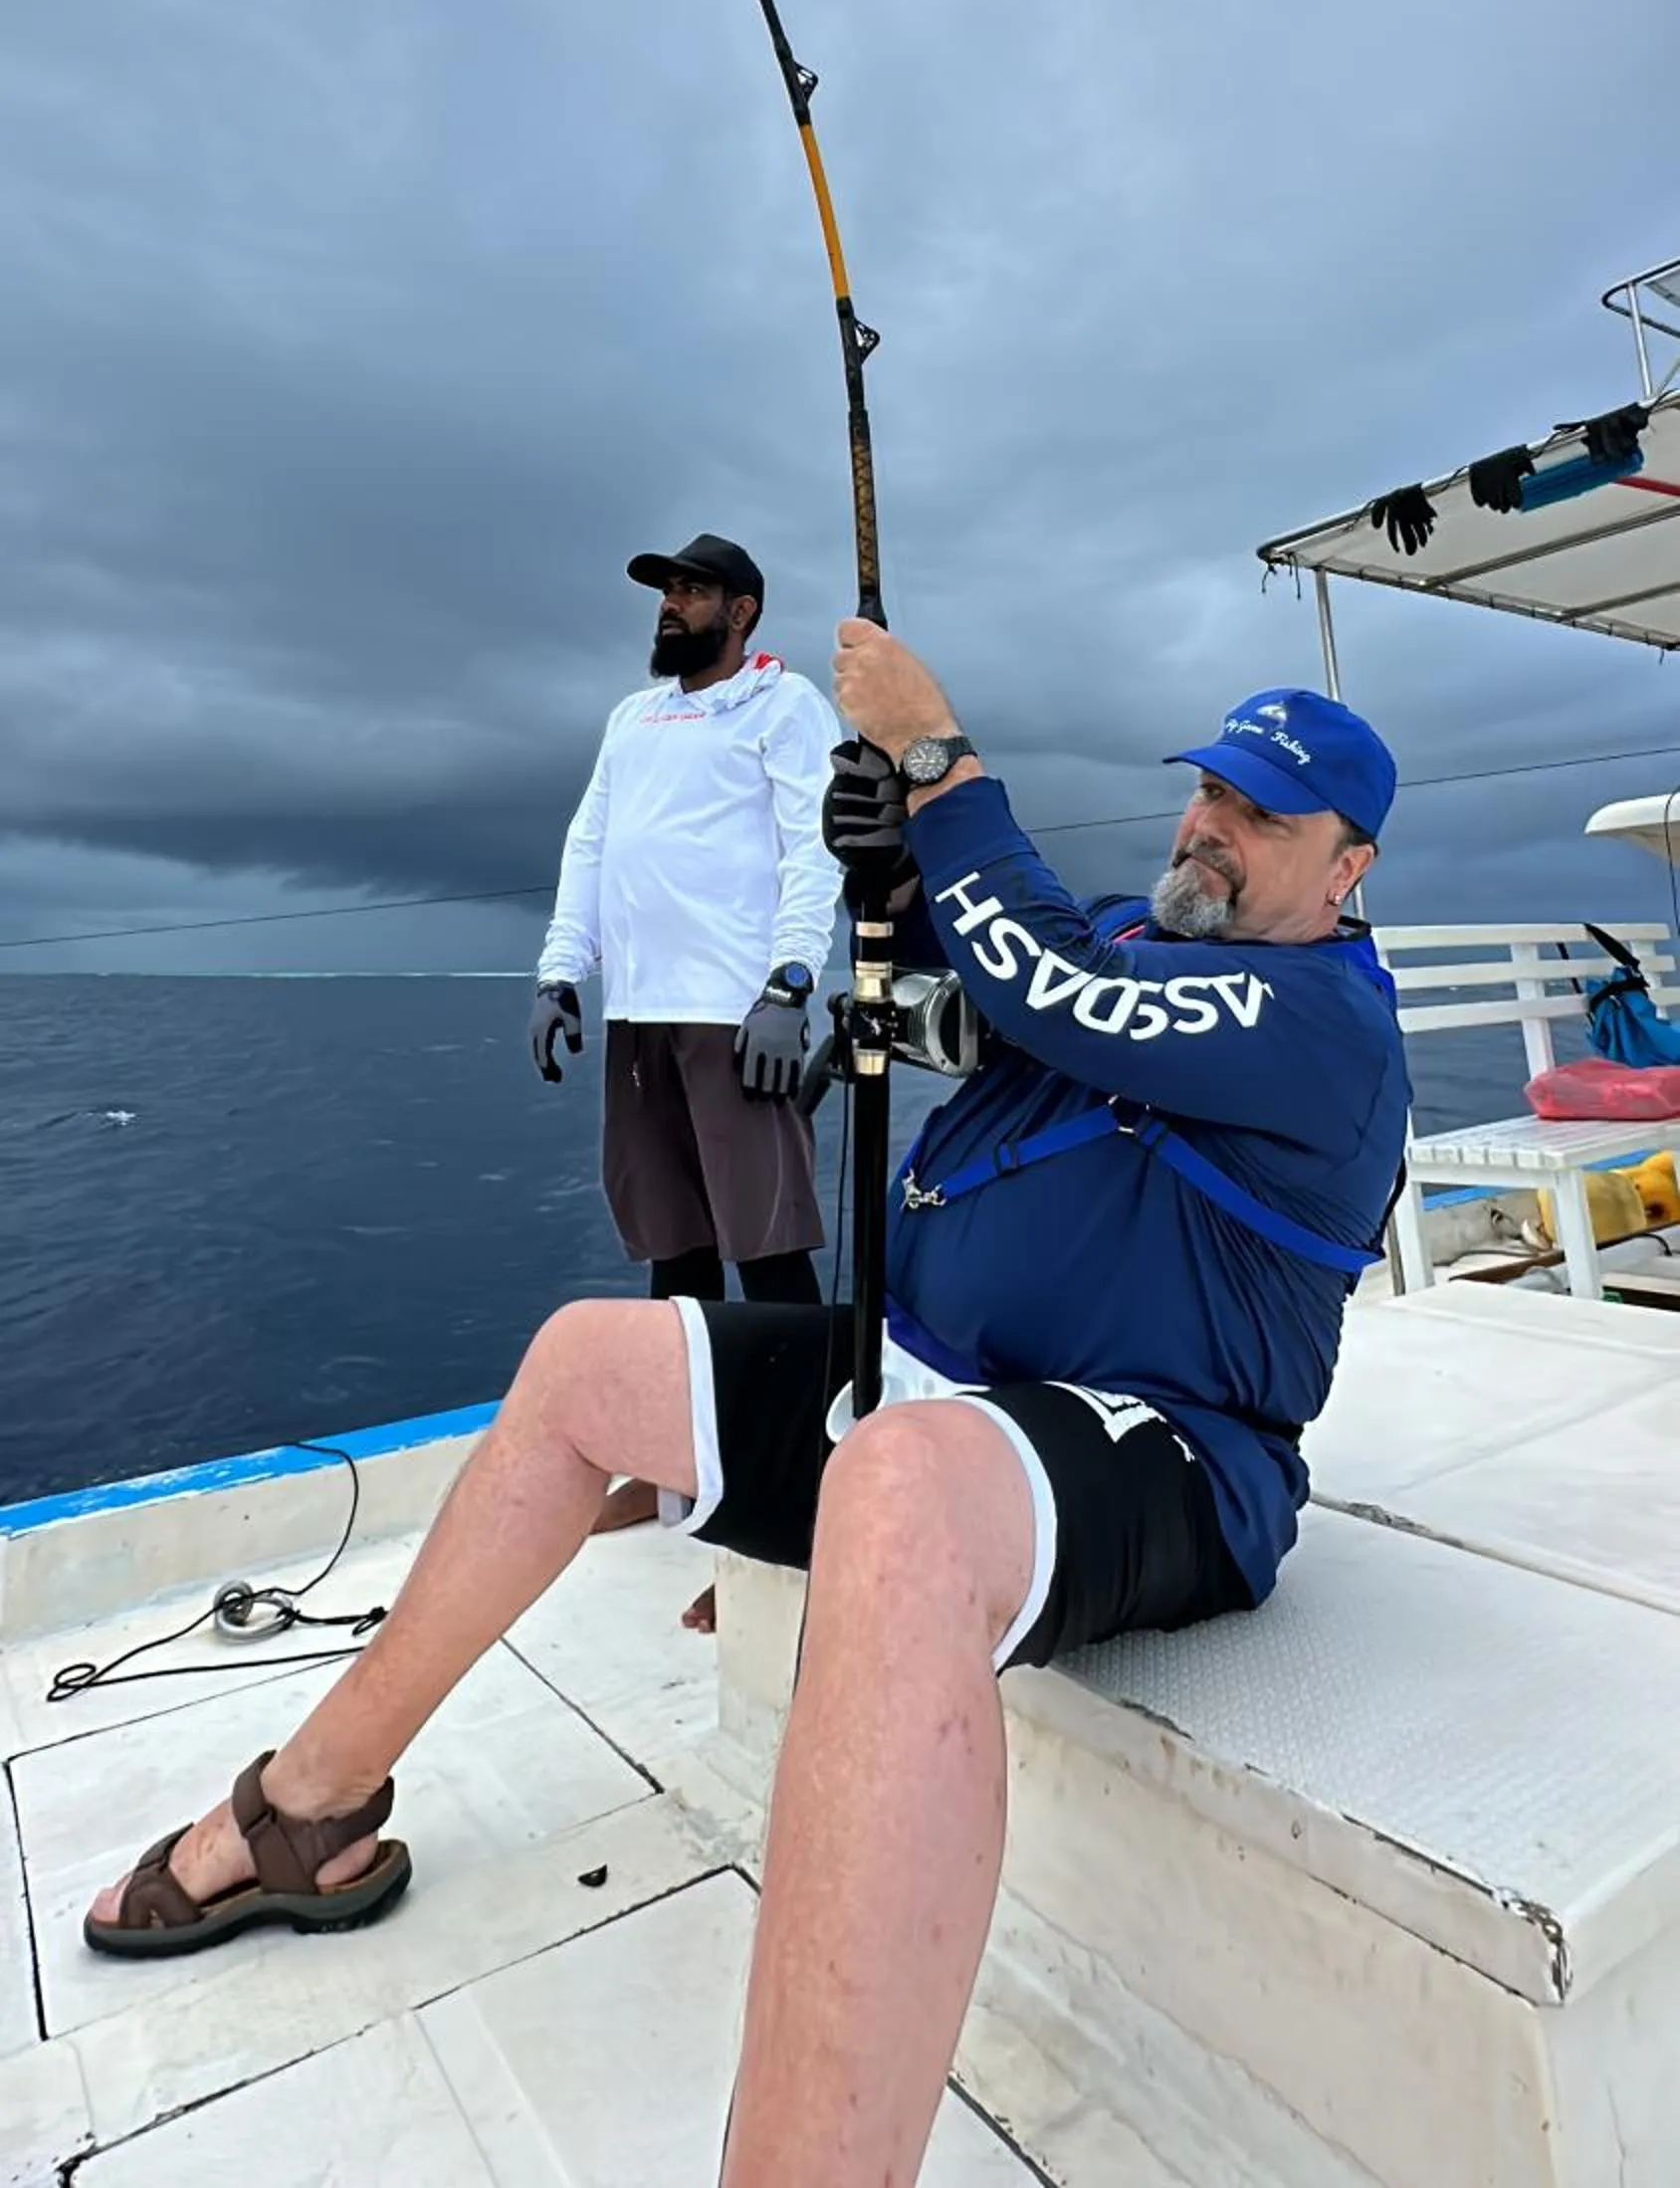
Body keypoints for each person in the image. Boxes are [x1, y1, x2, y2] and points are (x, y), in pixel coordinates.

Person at [85, 625, 1409, 2188]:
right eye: (1206, 792)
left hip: (1163, 1447)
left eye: (1261, 815)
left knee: (900, 1489)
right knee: (587, 1357)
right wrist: (889, 870)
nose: (1209, 825)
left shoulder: (1327, 1024)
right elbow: (973, 964)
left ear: (1348, 872)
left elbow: (1058, 993)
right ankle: (312, 1808)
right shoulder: (1133, 931)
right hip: (931, 1383)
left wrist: (944, 767)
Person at [528, 534, 842, 1584]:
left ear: (741, 611)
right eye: (666, 590)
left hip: (734, 1012)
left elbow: (816, 844)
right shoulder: (633, 716)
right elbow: (590, 845)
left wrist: (790, 983)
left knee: (766, 1248)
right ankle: (679, 1469)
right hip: (640, 1017)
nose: (671, 605)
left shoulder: (783, 704)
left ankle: (803, 1478)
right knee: (673, 1251)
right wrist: (559, 970)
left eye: (693, 590)